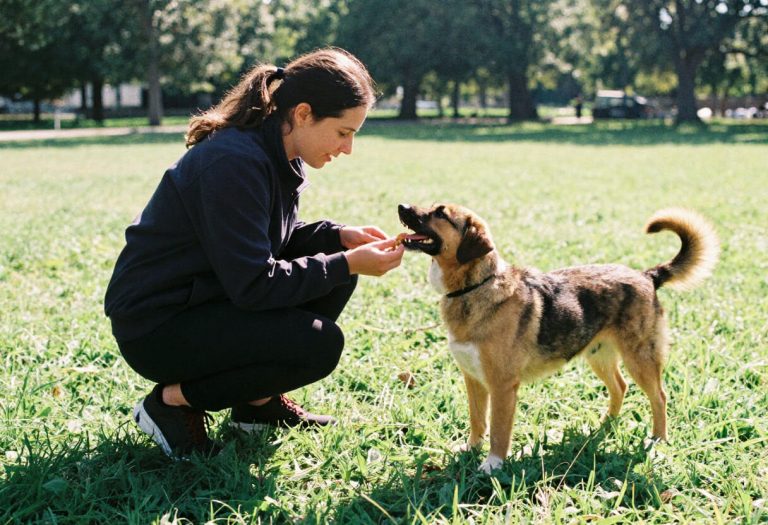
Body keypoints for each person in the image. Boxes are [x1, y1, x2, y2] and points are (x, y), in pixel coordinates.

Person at [104, 47, 405, 459]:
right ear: (302, 114)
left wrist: (339, 238)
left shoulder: (277, 152)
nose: (348, 148)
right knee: (319, 343)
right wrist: (345, 261)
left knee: (334, 259)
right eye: (343, 132)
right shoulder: (233, 163)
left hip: (207, 298)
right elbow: (253, 284)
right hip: (158, 326)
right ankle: (172, 403)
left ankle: (256, 406)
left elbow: (262, 240)